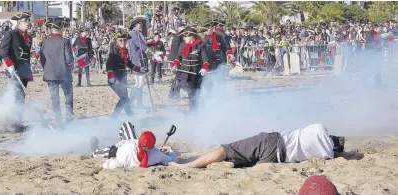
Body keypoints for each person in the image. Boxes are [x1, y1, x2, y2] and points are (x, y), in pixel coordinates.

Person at [181, 124, 344, 168]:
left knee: (227, 149)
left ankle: (190, 165)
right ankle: (230, 164)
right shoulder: (326, 155)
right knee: (241, 161)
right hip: (278, 159)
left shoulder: (320, 129)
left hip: (273, 141)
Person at [0, 12, 33, 132]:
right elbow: (3, 50)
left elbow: (26, 55)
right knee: (16, 96)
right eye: (26, 21)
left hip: (24, 70)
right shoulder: (11, 34)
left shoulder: (28, 36)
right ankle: (14, 123)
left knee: (21, 97)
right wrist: (9, 64)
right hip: (14, 69)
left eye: (28, 21)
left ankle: (16, 121)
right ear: (19, 23)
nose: (28, 24)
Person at [40, 18, 74, 127]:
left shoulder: (45, 42)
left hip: (50, 74)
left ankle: (59, 122)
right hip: (64, 73)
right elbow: (69, 59)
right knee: (68, 97)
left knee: (55, 101)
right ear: (60, 29)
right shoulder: (65, 41)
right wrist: (72, 66)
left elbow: (42, 59)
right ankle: (69, 120)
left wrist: (47, 68)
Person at [106, 30, 147, 118]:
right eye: (120, 40)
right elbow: (108, 65)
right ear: (116, 42)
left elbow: (129, 64)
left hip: (123, 77)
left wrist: (140, 69)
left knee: (124, 99)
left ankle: (114, 117)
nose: (123, 42)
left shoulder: (124, 51)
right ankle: (131, 116)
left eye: (125, 40)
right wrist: (111, 76)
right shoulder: (113, 52)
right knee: (125, 98)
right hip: (115, 79)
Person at [169, 27, 210, 112]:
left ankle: (195, 112)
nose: (184, 38)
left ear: (191, 36)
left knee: (196, 95)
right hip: (185, 75)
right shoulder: (182, 45)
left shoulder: (201, 45)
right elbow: (178, 57)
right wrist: (175, 65)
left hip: (197, 75)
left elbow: (206, 60)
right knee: (191, 93)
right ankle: (193, 113)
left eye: (185, 36)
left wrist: (204, 69)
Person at [103, 130, 179, 169]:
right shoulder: (157, 154)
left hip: (117, 150)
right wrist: (170, 150)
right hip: (124, 148)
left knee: (126, 125)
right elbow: (173, 160)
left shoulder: (128, 149)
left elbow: (107, 165)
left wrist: (110, 159)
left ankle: (95, 152)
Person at [129, 17, 149, 108]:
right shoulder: (134, 34)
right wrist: (149, 50)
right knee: (139, 84)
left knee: (138, 84)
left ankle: (136, 103)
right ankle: (134, 103)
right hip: (138, 61)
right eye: (139, 24)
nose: (141, 25)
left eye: (141, 24)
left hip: (138, 60)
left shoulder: (136, 33)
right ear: (135, 26)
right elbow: (140, 44)